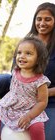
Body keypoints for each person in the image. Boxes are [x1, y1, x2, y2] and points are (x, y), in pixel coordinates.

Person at [0, 36, 50, 140]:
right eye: (19, 53)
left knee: (37, 127)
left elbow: (42, 102)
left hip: (30, 110)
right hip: (12, 106)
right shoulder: (15, 72)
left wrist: (29, 116)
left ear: (39, 59)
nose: (22, 56)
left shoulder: (41, 81)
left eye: (28, 53)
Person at [26, 2, 55, 140]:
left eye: (47, 19)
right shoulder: (26, 43)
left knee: (47, 136)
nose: (42, 23)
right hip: (25, 100)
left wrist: (45, 93)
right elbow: (15, 72)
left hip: (51, 102)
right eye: (39, 19)